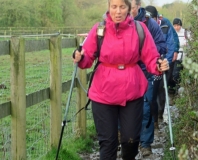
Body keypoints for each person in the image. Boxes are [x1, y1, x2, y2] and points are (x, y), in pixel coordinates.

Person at [72, 0, 169, 159]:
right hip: (103, 92)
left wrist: (159, 65)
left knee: (131, 140)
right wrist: (79, 57)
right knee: (108, 142)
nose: (118, 11)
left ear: (129, 9)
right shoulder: (99, 29)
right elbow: (87, 57)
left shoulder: (139, 29)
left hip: (132, 91)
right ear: (109, 8)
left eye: (122, 7)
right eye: (114, 7)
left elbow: (151, 57)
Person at [130, 0, 167, 156]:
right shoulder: (118, 23)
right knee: (123, 106)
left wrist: (146, 48)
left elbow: (162, 46)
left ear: (138, 6)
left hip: (146, 71)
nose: (126, 10)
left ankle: (145, 144)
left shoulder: (150, 24)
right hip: (127, 72)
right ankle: (126, 139)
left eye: (130, 7)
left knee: (146, 107)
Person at [145, 5, 176, 121]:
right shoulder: (143, 27)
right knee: (150, 93)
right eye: (148, 17)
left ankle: (160, 113)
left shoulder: (166, 26)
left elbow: (170, 44)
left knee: (161, 91)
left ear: (157, 17)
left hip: (163, 63)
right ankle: (153, 119)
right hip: (149, 65)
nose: (151, 20)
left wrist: (165, 61)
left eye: (153, 17)